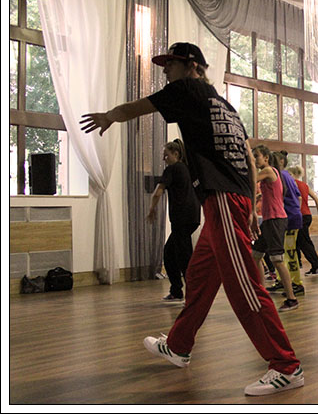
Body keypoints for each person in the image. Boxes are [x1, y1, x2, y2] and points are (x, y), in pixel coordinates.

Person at [80, 42, 303, 396]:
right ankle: (179, 345)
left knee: (243, 285)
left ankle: (285, 365)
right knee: (199, 276)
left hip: (222, 198)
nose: (165, 71)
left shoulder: (186, 89)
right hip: (231, 199)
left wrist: (110, 116)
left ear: (192, 66)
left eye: (170, 64)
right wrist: (250, 204)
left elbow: (139, 107)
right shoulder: (226, 106)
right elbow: (247, 156)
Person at [147, 139, 201, 302]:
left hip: (181, 217)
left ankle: (193, 293)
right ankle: (177, 290)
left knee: (184, 257)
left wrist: (151, 209)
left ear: (175, 154)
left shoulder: (172, 168)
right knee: (170, 253)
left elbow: (158, 192)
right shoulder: (188, 168)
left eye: (166, 155)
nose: (164, 159)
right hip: (193, 216)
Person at [251, 144, 298, 312]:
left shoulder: (268, 170)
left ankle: (291, 299)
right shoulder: (271, 173)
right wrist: (259, 196)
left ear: (266, 158)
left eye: (256, 156)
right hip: (269, 221)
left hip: (276, 220)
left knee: (277, 260)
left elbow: (251, 179)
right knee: (256, 255)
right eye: (253, 156)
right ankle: (261, 293)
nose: (254, 159)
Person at [271, 151, 305, 297]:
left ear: (280, 161)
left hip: (290, 218)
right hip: (289, 216)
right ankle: (282, 281)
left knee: (290, 252)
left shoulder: (281, 175)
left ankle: (297, 283)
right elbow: (298, 197)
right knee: (282, 252)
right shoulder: (287, 176)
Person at [287, 166, 318, 276]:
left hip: (301, 216)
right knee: (297, 241)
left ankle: (317, 267)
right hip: (307, 215)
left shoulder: (292, 184)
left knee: (304, 242)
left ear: (292, 174)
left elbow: (297, 199)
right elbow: (316, 198)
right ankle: (299, 264)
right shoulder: (305, 185)